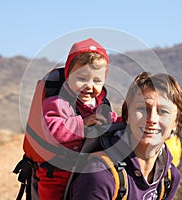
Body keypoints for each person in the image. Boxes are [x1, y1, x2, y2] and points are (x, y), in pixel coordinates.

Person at [68, 72, 182, 200]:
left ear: (175, 122)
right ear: (126, 116)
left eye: (163, 111)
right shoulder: (100, 175)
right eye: (143, 109)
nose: (152, 119)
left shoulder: (169, 178)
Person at [35, 38, 120, 200]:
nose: (89, 85)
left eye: (96, 80)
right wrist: (82, 124)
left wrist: (127, 123)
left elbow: (113, 120)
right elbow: (51, 130)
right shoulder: (57, 103)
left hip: (85, 169)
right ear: (68, 76)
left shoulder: (102, 106)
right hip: (57, 173)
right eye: (81, 78)